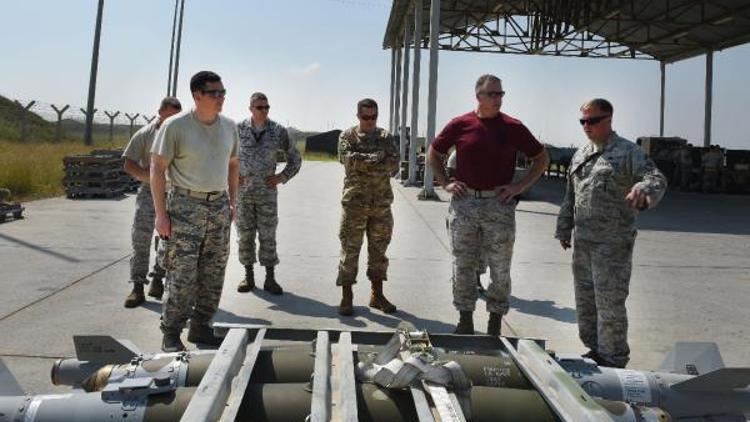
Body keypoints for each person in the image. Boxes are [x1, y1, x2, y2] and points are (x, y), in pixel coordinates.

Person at [427, 74, 549, 336]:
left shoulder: (513, 127)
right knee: (463, 265)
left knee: (500, 267)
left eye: (501, 94)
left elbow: (541, 158)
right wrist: (445, 182)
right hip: (465, 204)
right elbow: (434, 153)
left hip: (498, 205)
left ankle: (495, 321)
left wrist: (519, 186)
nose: (498, 99)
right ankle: (465, 320)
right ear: (478, 96)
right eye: (492, 94)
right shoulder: (461, 124)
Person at [555, 98, 667, 368]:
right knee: (586, 302)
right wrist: (563, 226)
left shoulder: (628, 152)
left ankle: (614, 360)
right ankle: (596, 350)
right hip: (583, 243)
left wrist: (644, 190)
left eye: (593, 120)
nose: (587, 126)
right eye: (583, 121)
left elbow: (656, 178)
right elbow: (571, 194)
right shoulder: (581, 153)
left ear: (609, 119)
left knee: (610, 304)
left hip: (612, 244)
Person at [151, 71, 240, 352]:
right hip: (184, 207)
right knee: (182, 274)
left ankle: (201, 326)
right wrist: (161, 214)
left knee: (213, 272)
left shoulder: (229, 127)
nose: (221, 97)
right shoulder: (176, 126)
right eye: (215, 92)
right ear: (197, 95)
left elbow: (234, 164)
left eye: (223, 92)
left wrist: (232, 200)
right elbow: (157, 169)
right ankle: (171, 332)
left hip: (218, 206)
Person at [336, 98, 399, 316]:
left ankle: (377, 295)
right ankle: (347, 296)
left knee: (379, 252)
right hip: (354, 204)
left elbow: (393, 165)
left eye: (374, 117)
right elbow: (347, 160)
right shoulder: (346, 136)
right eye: (366, 117)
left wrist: (364, 161)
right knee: (350, 251)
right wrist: (377, 159)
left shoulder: (386, 137)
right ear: (358, 116)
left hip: (381, 205)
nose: (370, 121)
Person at [235, 93, 301, 294]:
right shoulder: (237, 130)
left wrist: (281, 177)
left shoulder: (278, 131)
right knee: (244, 235)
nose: (264, 110)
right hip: (243, 194)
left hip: (266, 194)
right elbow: (223, 156)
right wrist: (233, 176)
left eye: (267, 107)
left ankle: (270, 279)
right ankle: (248, 276)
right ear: (250, 109)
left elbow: (295, 159)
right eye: (260, 107)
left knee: (268, 235)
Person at [122, 97, 182, 308]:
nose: (171, 121)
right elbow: (128, 164)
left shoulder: (181, 134)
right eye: (168, 116)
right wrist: (150, 178)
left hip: (174, 193)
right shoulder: (145, 134)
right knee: (141, 237)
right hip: (149, 192)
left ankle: (158, 277)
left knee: (169, 239)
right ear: (160, 112)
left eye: (176, 117)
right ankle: (137, 287)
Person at [446, 149, 487, 294]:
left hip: (487, 207)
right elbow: (451, 177)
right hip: (463, 206)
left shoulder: (492, 151)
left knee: (482, 248)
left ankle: (476, 280)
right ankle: (460, 280)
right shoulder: (458, 153)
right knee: (462, 248)